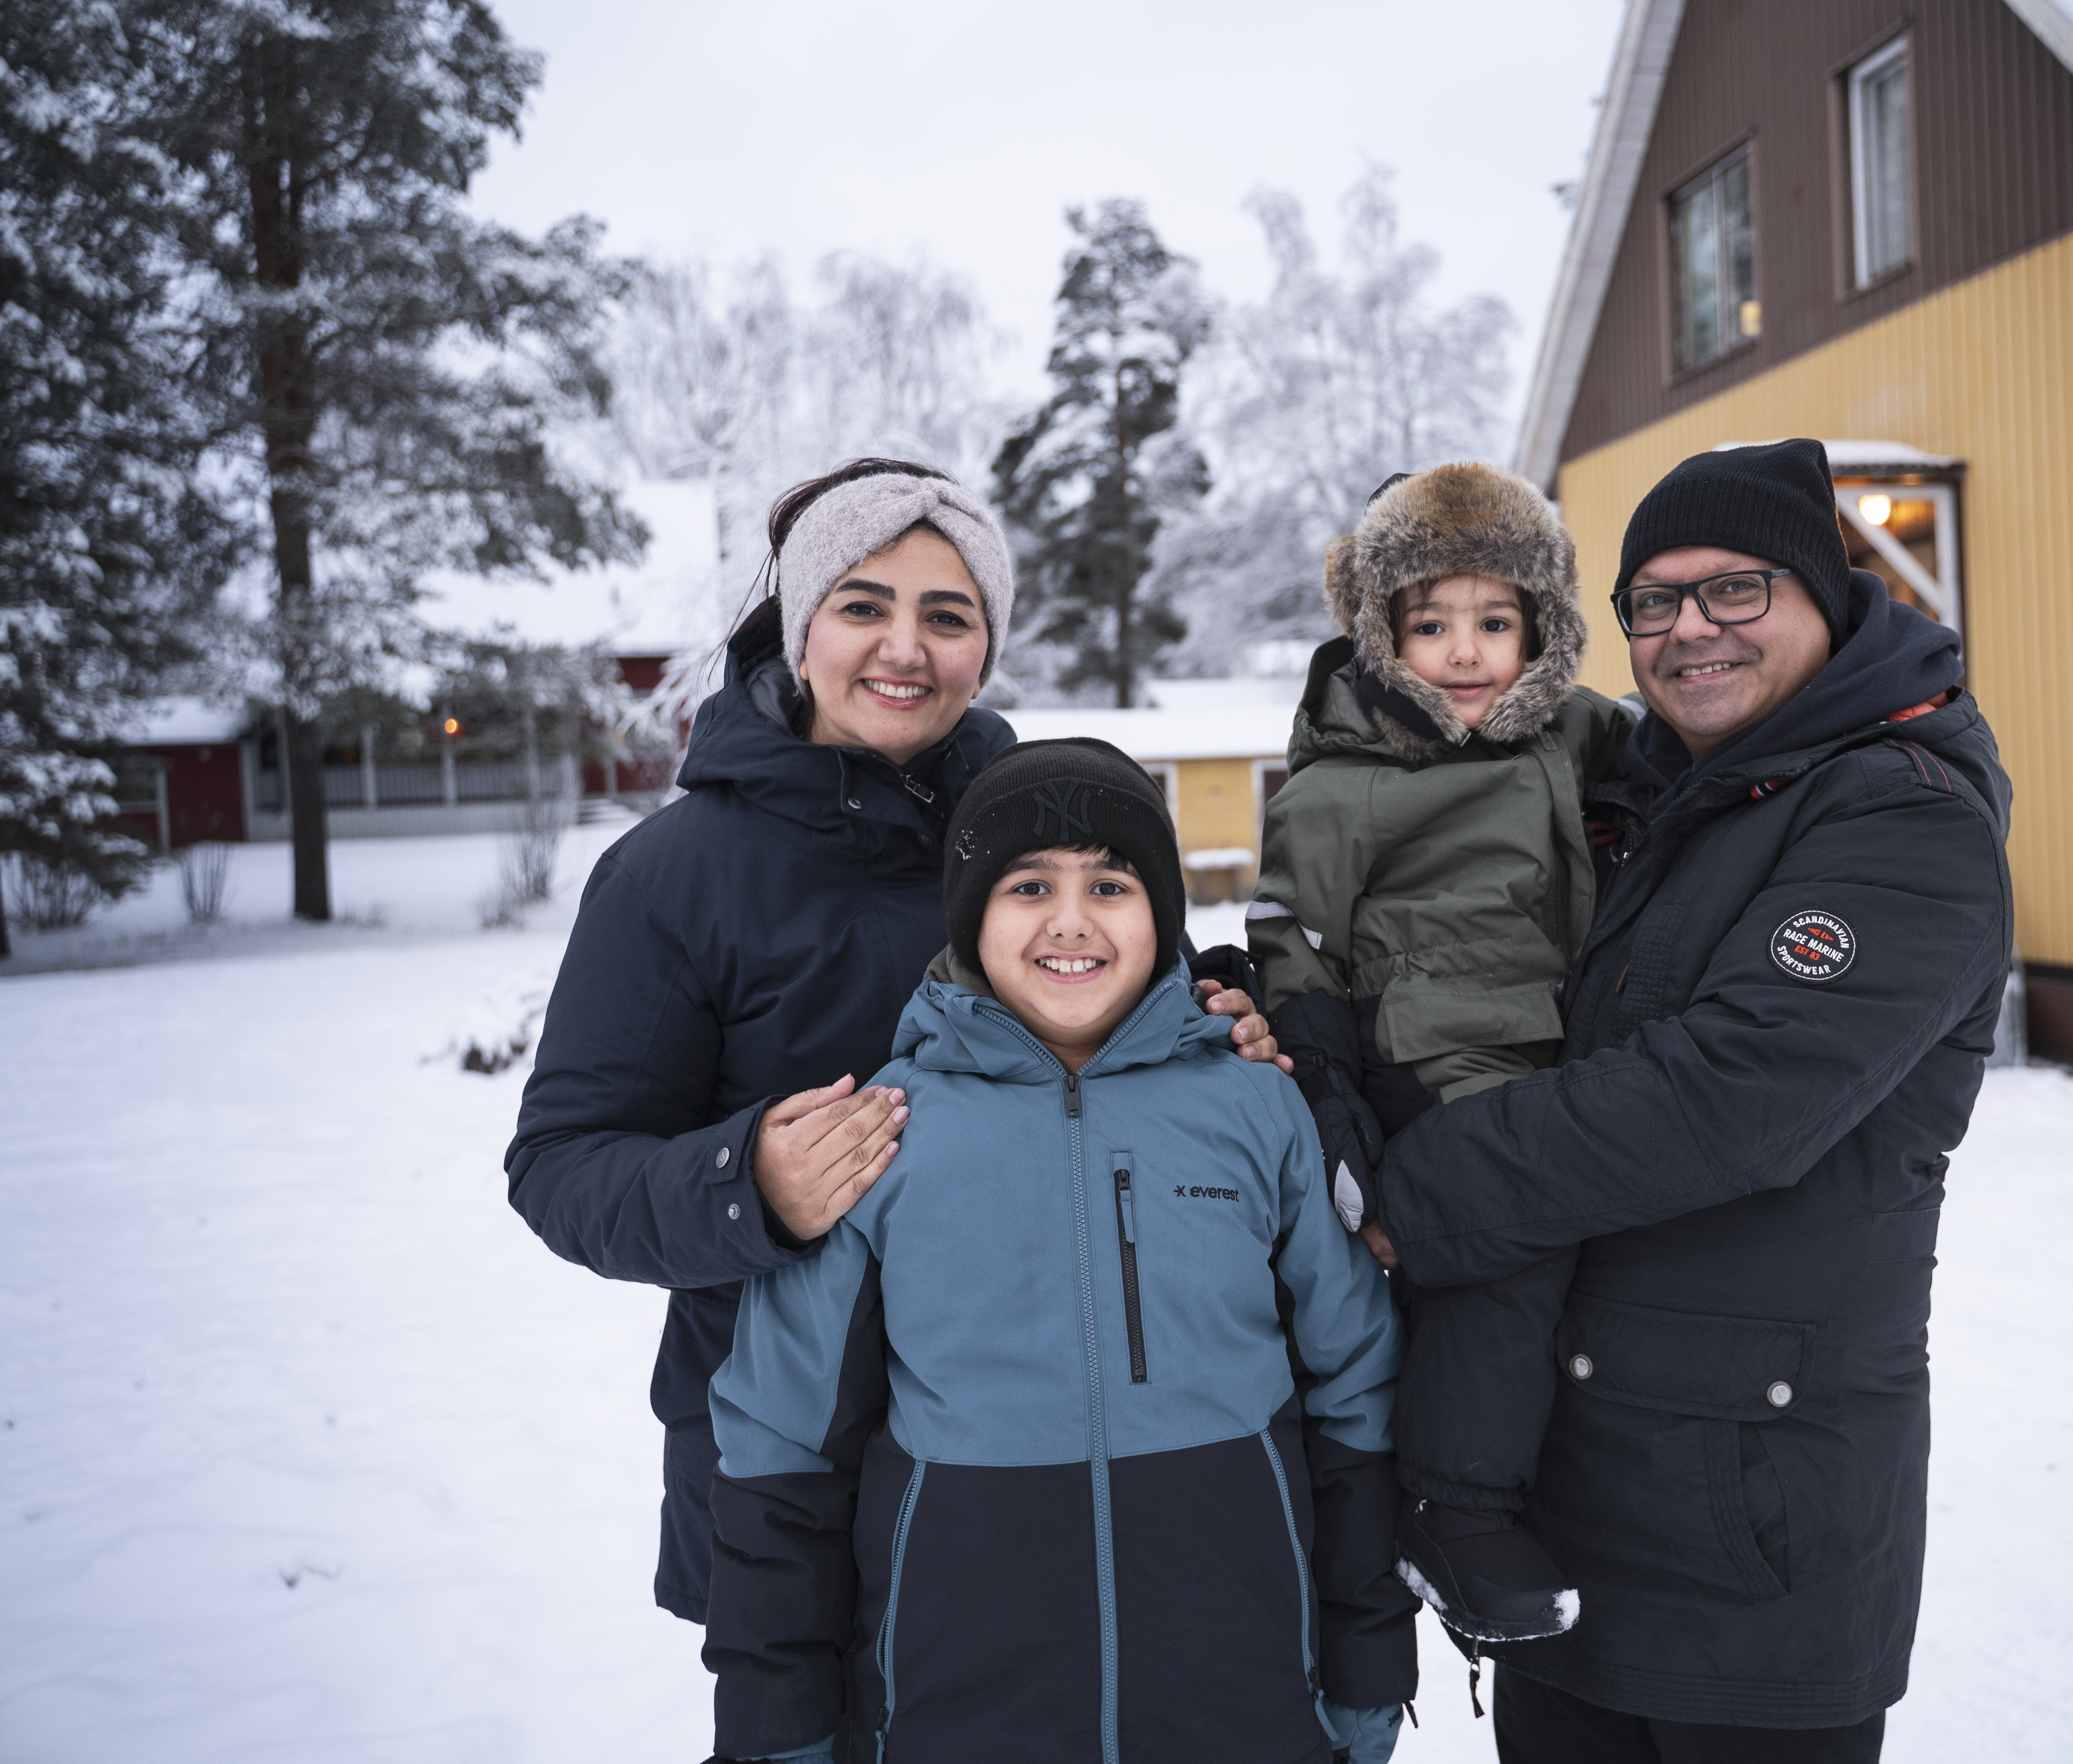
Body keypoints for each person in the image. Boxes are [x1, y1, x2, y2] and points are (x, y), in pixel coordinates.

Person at [504, 460, 1278, 1633]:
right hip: (786, 1465)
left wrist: (1221, 1008)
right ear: (801, 626)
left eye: (948, 615)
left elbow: (1133, 1025)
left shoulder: (1043, 834)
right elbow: (562, 1166)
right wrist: (743, 1182)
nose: (903, 649)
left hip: (1034, 1449)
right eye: (864, 605)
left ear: (988, 646)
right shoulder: (674, 877)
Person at [1349, 440, 2014, 1760]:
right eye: (1652, 600)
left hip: (1757, 1543)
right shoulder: (1659, 796)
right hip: (1579, 1514)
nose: (1687, 629)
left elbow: (1722, 1102)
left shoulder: (1900, 816)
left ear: (1830, 596)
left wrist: (1409, 1196)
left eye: (1737, 590)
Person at [702, 738, 1416, 1764]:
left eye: (1112, 883)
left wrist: (1368, 1672)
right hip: (956, 1712)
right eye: (1029, 883)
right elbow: (780, 1446)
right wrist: (782, 1728)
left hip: (1246, 1702)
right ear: (971, 916)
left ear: (1162, 915)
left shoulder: (1257, 1107)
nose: (1071, 919)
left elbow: (1360, 1393)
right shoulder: (882, 1134)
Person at [1247, 462, 1636, 1644]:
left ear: (1544, 629)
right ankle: (1454, 1507)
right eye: (1430, 626)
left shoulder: (1580, 735)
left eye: (1495, 623)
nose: (1465, 655)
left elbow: (1690, 772)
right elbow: (1295, 944)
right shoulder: (1341, 785)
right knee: (1509, 1248)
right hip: (1434, 1054)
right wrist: (1327, 1090)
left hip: (1565, 1040)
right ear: (1378, 635)